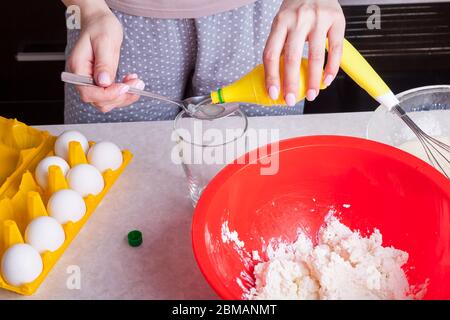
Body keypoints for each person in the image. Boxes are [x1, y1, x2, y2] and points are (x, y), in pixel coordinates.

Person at [63, 0, 345, 123]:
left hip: (264, 19)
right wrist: (90, 9)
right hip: (118, 21)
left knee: (265, 168)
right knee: (109, 172)